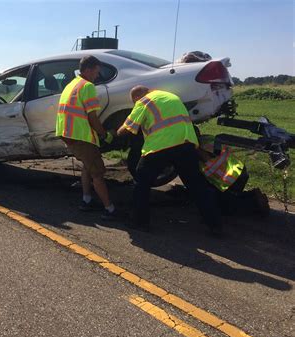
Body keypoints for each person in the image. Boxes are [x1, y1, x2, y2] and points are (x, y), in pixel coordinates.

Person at [117, 86, 222, 235]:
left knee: (142, 181)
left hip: (160, 146)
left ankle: (139, 222)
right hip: (186, 145)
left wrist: (115, 132)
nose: (135, 104)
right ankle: (215, 224)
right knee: (196, 185)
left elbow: (127, 129)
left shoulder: (144, 101)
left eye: (134, 102)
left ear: (139, 96)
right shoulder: (171, 96)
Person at [55, 55, 117, 220]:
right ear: (88, 70)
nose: (97, 76)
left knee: (87, 167)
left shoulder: (71, 84)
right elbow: (92, 117)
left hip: (67, 133)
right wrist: (104, 134)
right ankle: (109, 208)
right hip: (81, 135)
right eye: (97, 72)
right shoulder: (88, 86)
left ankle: (86, 200)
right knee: (97, 172)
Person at [197, 134, 270, 216]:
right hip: (238, 171)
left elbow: (206, 159)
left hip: (229, 179)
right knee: (228, 197)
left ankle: (254, 202)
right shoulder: (206, 138)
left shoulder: (198, 148)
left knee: (223, 206)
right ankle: (252, 195)